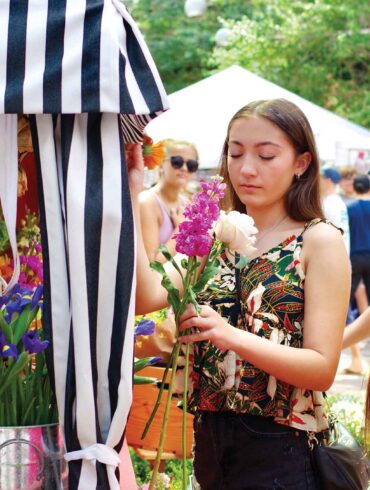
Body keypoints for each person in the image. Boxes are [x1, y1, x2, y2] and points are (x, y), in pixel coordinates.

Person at [128, 99, 351, 489]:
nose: (246, 168)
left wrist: (228, 335)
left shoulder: (319, 241)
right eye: (235, 153)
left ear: (301, 163)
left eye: (266, 155)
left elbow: (321, 368)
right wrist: (131, 194)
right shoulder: (219, 235)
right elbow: (147, 295)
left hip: (281, 447)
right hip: (210, 440)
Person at [139, 139, 198, 263]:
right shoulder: (147, 202)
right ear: (161, 165)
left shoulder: (187, 204)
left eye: (191, 165)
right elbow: (153, 265)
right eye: (177, 162)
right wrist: (182, 230)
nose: (184, 168)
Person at [320, 166, 350, 253]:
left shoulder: (329, 203)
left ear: (328, 181)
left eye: (320, 179)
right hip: (342, 253)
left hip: (335, 254)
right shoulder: (337, 201)